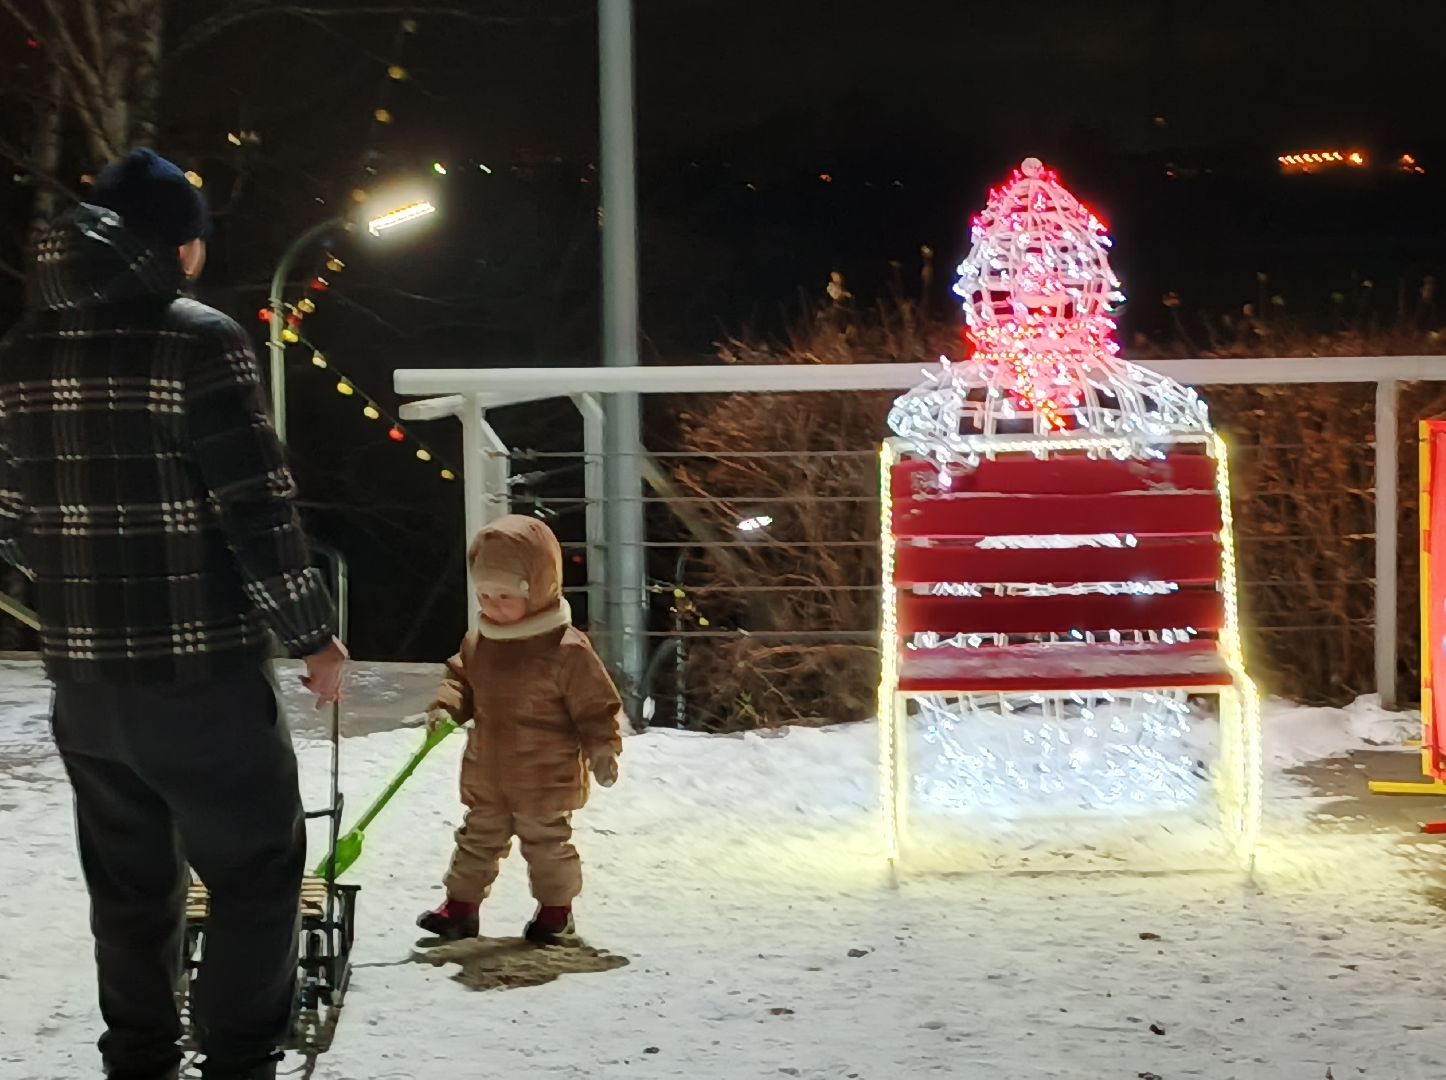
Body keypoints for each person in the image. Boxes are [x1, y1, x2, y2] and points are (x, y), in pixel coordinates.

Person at [0, 149, 347, 1080]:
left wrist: (65, 584)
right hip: (202, 683)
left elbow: (12, 513)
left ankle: (141, 1064)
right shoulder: (196, 338)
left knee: (129, 894)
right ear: (181, 249)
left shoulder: (25, 348)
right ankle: (238, 1065)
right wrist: (314, 635)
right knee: (255, 879)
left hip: (85, 687)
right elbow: (257, 508)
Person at [417, 514, 623, 944]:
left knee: (548, 848)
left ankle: (555, 912)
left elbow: (595, 706)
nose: (492, 605)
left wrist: (603, 747)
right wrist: (444, 708)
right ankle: (460, 909)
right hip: (488, 773)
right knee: (475, 842)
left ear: (540, 587)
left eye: (505, 596)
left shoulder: (566, 649)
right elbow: (460, 681)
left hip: (545, 778)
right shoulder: (480, 643)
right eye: (484, 595)